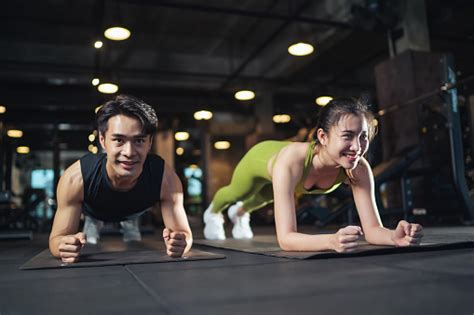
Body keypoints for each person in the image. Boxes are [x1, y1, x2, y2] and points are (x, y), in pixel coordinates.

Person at [203, 96, 423, 252]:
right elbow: (286, 240)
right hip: (260, 158)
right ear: (323, 137)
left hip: (287, 177)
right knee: (238, 191)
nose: (357, 147)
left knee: (265, 197)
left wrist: (394, 236)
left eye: (363, 136)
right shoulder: (292, 161)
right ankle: (213, 212)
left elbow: (373, 230)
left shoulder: (358, 166)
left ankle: (240, 213)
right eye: (347, 136)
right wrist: (331, 241)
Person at [49, 95, 192, 263]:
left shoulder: (165, 179)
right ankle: (94, 223)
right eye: (118, 140)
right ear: (102, 141)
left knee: (131, 227)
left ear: (149, 142)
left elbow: (184, 235)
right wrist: (64, 246)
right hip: (95, 208)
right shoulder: (75, 178)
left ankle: (129, 223)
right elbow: (56, 240)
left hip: (136, 209)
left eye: (139, 140)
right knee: (93, 226)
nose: (129, 152)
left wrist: (180, 243)